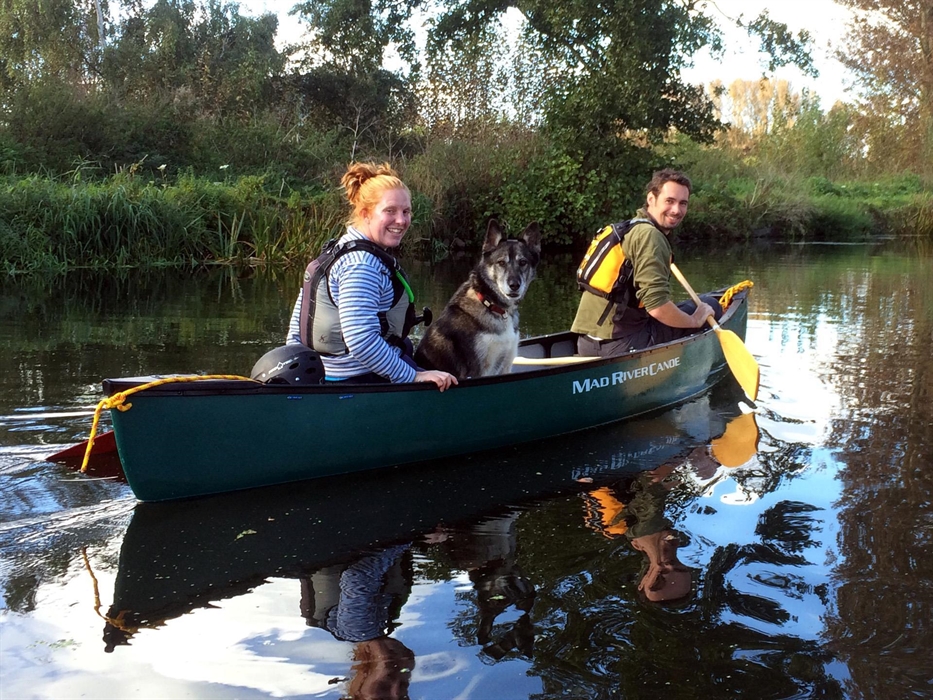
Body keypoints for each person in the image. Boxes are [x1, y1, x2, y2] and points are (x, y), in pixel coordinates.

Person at [286, 162, 457, 391]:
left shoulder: (338, 250)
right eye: (390, 211)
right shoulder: (361, 265)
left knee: (406, 346)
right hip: (358, 379)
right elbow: (360, 340)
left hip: (330, 374)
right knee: (447, 376)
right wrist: (412, 377)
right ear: (365, 214)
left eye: (406, 212)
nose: (401, 221)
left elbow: (295, 331)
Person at [571, 168, 723, 357]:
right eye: (670, 201)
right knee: (711, 305)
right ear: (651, 199)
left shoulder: (629, 228)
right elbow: (657, 307)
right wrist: (695, 320)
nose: (677, 210)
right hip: (619, 345)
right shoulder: (650, 236)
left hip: (586, 342)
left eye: (683, 203)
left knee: (688, 308)